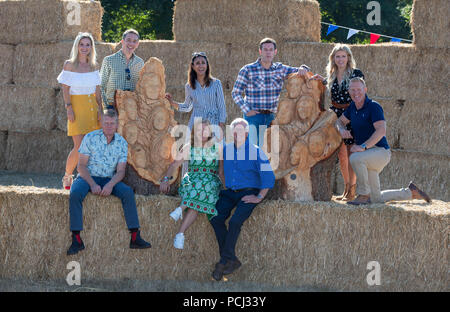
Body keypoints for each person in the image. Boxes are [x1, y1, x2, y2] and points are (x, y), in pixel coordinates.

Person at [66, 109, 152, 255]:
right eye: (106, 123)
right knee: (75, 193)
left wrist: (110, 185)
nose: (109, 126)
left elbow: (120, 172)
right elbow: (80, 166)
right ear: (101, 123)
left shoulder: (121, 143)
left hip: (109, 178)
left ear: (117, 124)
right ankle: (76, 239)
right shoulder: (90, 138)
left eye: (112, 123)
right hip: (88, 176)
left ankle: (135, 236)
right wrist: (92, 184)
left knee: (127, 192)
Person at [335, 77, 431, 205]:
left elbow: (381, 131)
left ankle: (363, 194)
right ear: (349, 91)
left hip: (380, 152)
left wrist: (363, 146)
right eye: (352, 90)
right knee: (376, 200)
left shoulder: (373, 107)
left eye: (359, 89)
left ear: (365, 90)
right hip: (367, 156)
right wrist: (341, 129)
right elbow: (339, 121)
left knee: (355, 158)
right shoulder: (352, 107)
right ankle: (410, 192)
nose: (355, 93)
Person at [209, 118, 275, 281]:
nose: (237, 133)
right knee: (215, 217)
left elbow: (269, 176)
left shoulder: (256, 151)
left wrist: (258, 197)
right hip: (230, 192)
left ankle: (224, 261)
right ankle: (231, 259)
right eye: (234, 130)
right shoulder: (226, 149)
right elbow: (222, 171)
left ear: (246, 133)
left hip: (248, 192)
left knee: (235, 222)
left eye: (240, 131)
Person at [231, 38, 310, 146]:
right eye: (265, 49)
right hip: (253, 116)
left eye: (271, 50)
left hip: (270, 118)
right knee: (251, 150)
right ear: (260, 51)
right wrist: (246, 110)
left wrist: (304, 68)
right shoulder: (248, 70)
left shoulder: (280, 69)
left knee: (267, 151)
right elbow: (235, 92)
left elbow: (300, 71)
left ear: (275, 52)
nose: (268, 52)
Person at [160, 120, 223, 250]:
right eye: (199, 130)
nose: (202, 132)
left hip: (210, 181)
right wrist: (166, 179)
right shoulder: (189, 147)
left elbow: (221, 170)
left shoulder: (217, 147)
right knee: (197, 194)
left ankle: (180, 214)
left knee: (201, 188)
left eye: (205, 130)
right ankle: (180, 234)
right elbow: (174, 165)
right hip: (192, 180)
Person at [312, 44, 364, 201]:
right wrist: (320, 80)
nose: (341, 59)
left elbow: (359, 94)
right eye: (337, 56)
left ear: (348, 58)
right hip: (336, 117)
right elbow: (329, 87)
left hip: (351, 115)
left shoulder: (356, 74)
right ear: (333, 58)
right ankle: (346, 186)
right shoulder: (332, 74)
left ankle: (352, 189)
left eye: (343, 56)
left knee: (351, 154)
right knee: (341, 155)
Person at [57, 32, 103, 190]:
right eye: (81, 44)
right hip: (77, 107)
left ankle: (84, 177)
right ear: (77, 46)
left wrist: (100, 111)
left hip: (92, 108)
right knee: (79, 145)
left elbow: (98, 91)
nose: (84, 47)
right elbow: (65, 89)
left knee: (91, 146)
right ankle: (67, 175)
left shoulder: (94, 65)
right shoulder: (69, 64)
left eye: (87, 44)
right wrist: (69, 108)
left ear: (91, 47)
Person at [165, 52, 227, 135]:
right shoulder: (189, 86)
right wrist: (172, 102)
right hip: (196, 124)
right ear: (193, 66)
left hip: (213, 123)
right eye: (197, 63)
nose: (201, 66)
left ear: (207, 65)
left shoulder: (216, 83)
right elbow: (187, 106)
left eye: (203, 63)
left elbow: (221, 106)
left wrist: (221, 123)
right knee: (193, 147)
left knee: (213, 147)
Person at [100, 29, 144, 110]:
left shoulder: (140, 63)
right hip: (112, 107)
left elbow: (142, 87)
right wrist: (107, 107)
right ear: (122, 41)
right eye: (128, 40)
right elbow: (101, 86)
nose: (131, 43)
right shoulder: (109, 60)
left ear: (137, 44)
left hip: (132, 109)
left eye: (134, 41)